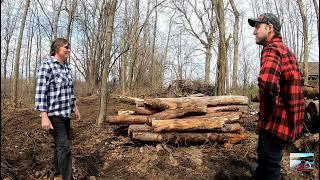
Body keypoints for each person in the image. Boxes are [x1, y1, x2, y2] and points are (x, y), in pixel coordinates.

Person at [248, 13, 305, 180]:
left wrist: (269, 111)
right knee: (266, 159)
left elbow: (267, 83)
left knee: (272, 166)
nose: (254, 32)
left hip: (277, 121)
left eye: (257, 27)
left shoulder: (272, 49)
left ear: (270, 28)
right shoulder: (287, 50)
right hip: (292, 119)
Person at [35, 38, 81, 180]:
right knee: (64, 147)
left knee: (59, 146)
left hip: (65, 114)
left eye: (69, 47)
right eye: (66, 47)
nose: (69, 49)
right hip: (53, 114)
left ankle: (58, 174)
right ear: (57, 49)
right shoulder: (47, 66)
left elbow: (69, 91)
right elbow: (41, 92)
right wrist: (44, 115)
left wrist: (75, 107)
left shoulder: (67, 67)